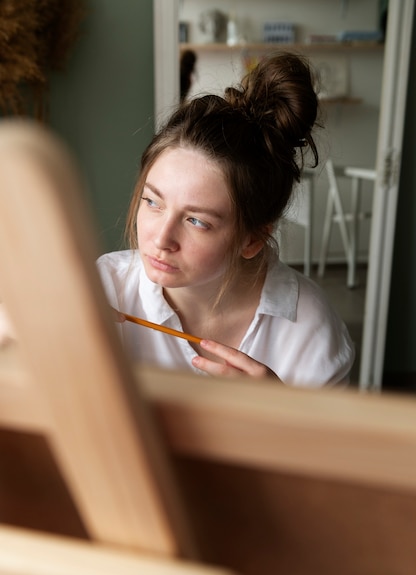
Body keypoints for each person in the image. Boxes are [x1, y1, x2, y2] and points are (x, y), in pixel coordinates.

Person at [97, 51, 355, 387]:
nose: (161, 239)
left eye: (197, 222)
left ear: (252, 239)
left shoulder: (309, 329)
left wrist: (283, 414)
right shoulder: (103, 288)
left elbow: (331, 441)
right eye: (152, 201)